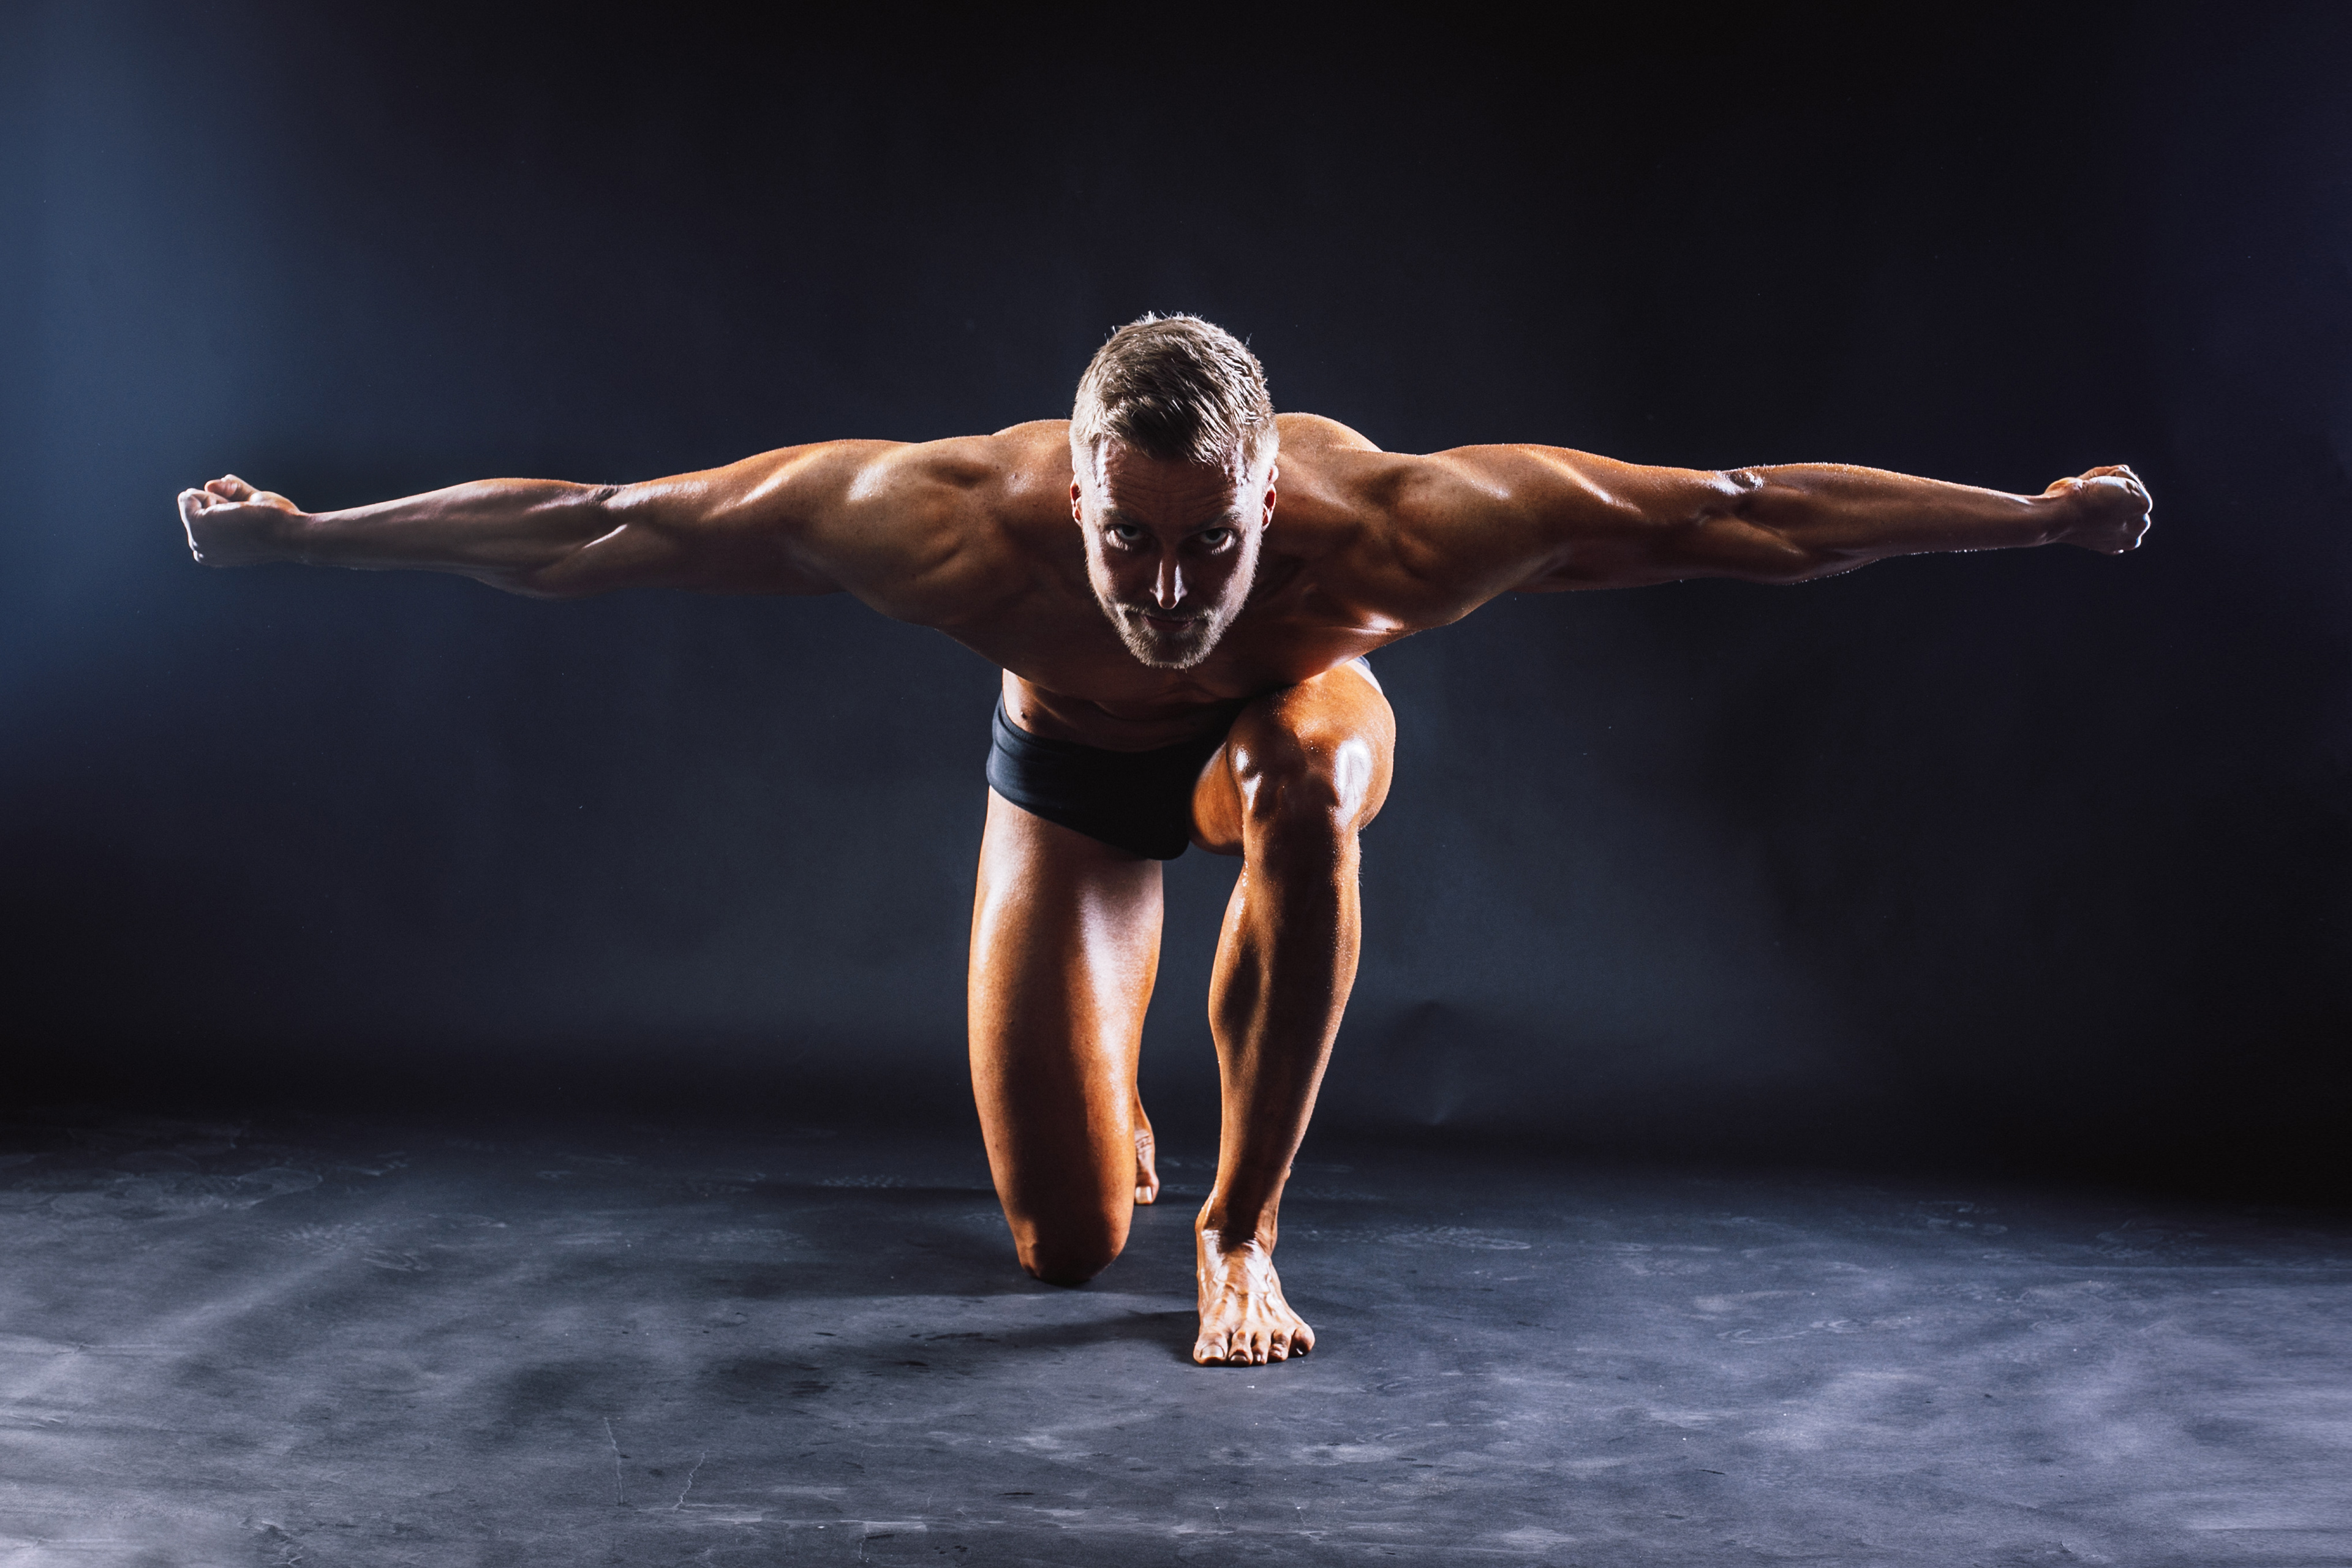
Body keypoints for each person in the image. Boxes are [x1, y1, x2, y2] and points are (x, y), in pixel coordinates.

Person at [176, 314, 2152, 1366]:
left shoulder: (1400, 532)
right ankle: (1124, 1128)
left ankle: (1239, 1229)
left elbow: (1741, 513)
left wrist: (2029, 519)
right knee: (1058, 1248)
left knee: (1299, 774)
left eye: (1216, 545)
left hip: (1282, 752)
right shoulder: (939, 519)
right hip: (1071, 784)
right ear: (1076, 496)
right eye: (1134, 542)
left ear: (1274, 496)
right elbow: (605, 526)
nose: (1173, 590)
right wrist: (317, 540)